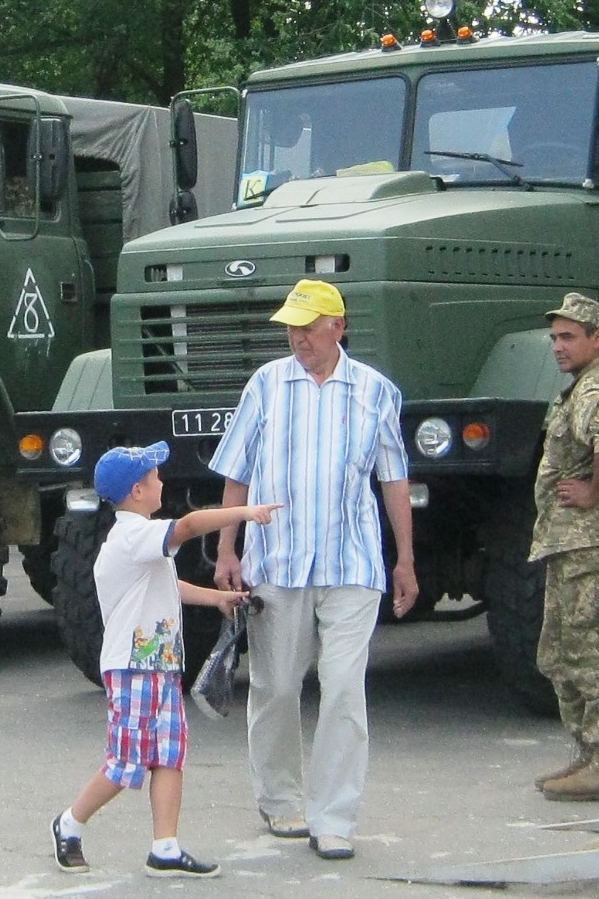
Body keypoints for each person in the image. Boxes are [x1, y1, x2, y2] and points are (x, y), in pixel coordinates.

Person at [209, 279, 417, 862]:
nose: (298, 338)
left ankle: (335, 818)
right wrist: (228, 549)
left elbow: (394, 479)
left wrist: (405, 559)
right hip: (278, 562)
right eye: (291, 328)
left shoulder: (376, 392)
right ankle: (281, 801)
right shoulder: (267, 385)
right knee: (275, 687)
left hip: (352, 564)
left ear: (338, 327)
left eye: (308, 327)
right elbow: (237, 472)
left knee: (345, 690)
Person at [51, 442, 281, 877]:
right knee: (125, 763)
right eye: (155, 477)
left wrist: (219, 599)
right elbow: (192, 524)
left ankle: (166, 846)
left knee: (169, 755)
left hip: (160, 665)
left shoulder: (144, 544)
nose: (162, 482)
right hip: (132, 668)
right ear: (138, 491)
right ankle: (70, 822)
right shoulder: (133, 536)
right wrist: (244, 512)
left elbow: (168, 589)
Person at [530, 292, 599, 802]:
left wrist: (594, 491)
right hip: (570, 542)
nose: (558, 346)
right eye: (554, 337)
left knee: (591, 647)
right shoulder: (581, 387)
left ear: (598, 338)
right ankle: (589, 755)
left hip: (591, 541)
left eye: (569, 336)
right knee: (561, 648)